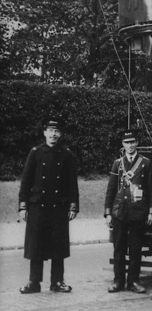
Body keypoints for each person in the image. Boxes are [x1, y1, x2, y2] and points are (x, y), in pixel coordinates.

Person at [18, 117, 79, 294]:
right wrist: (23, 206)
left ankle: (57, 281)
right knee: (36, 245)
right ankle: (34, 282)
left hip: (59, 207)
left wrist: (73, 206)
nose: (53, 134)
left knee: (58, 246)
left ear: (60, 134)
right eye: (50, 131)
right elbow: (26, 181)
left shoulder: (67, 154)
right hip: (38, 206)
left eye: (57, 131)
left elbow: (72, 183)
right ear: (45, 132)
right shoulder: (35, 152)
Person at [104, 129, 152, 294]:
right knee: (119, 248)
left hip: (137, 211)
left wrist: (151, 212)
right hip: (120, 212)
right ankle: (118, 281)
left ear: (137, 143)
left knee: (135, 249)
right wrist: (107, 213)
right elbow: (111, 190)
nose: (130, 145)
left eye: (133, 142)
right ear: (123, 145)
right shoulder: (117, 163)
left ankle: (133, 281)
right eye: (127, 142)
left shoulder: (146, 163)